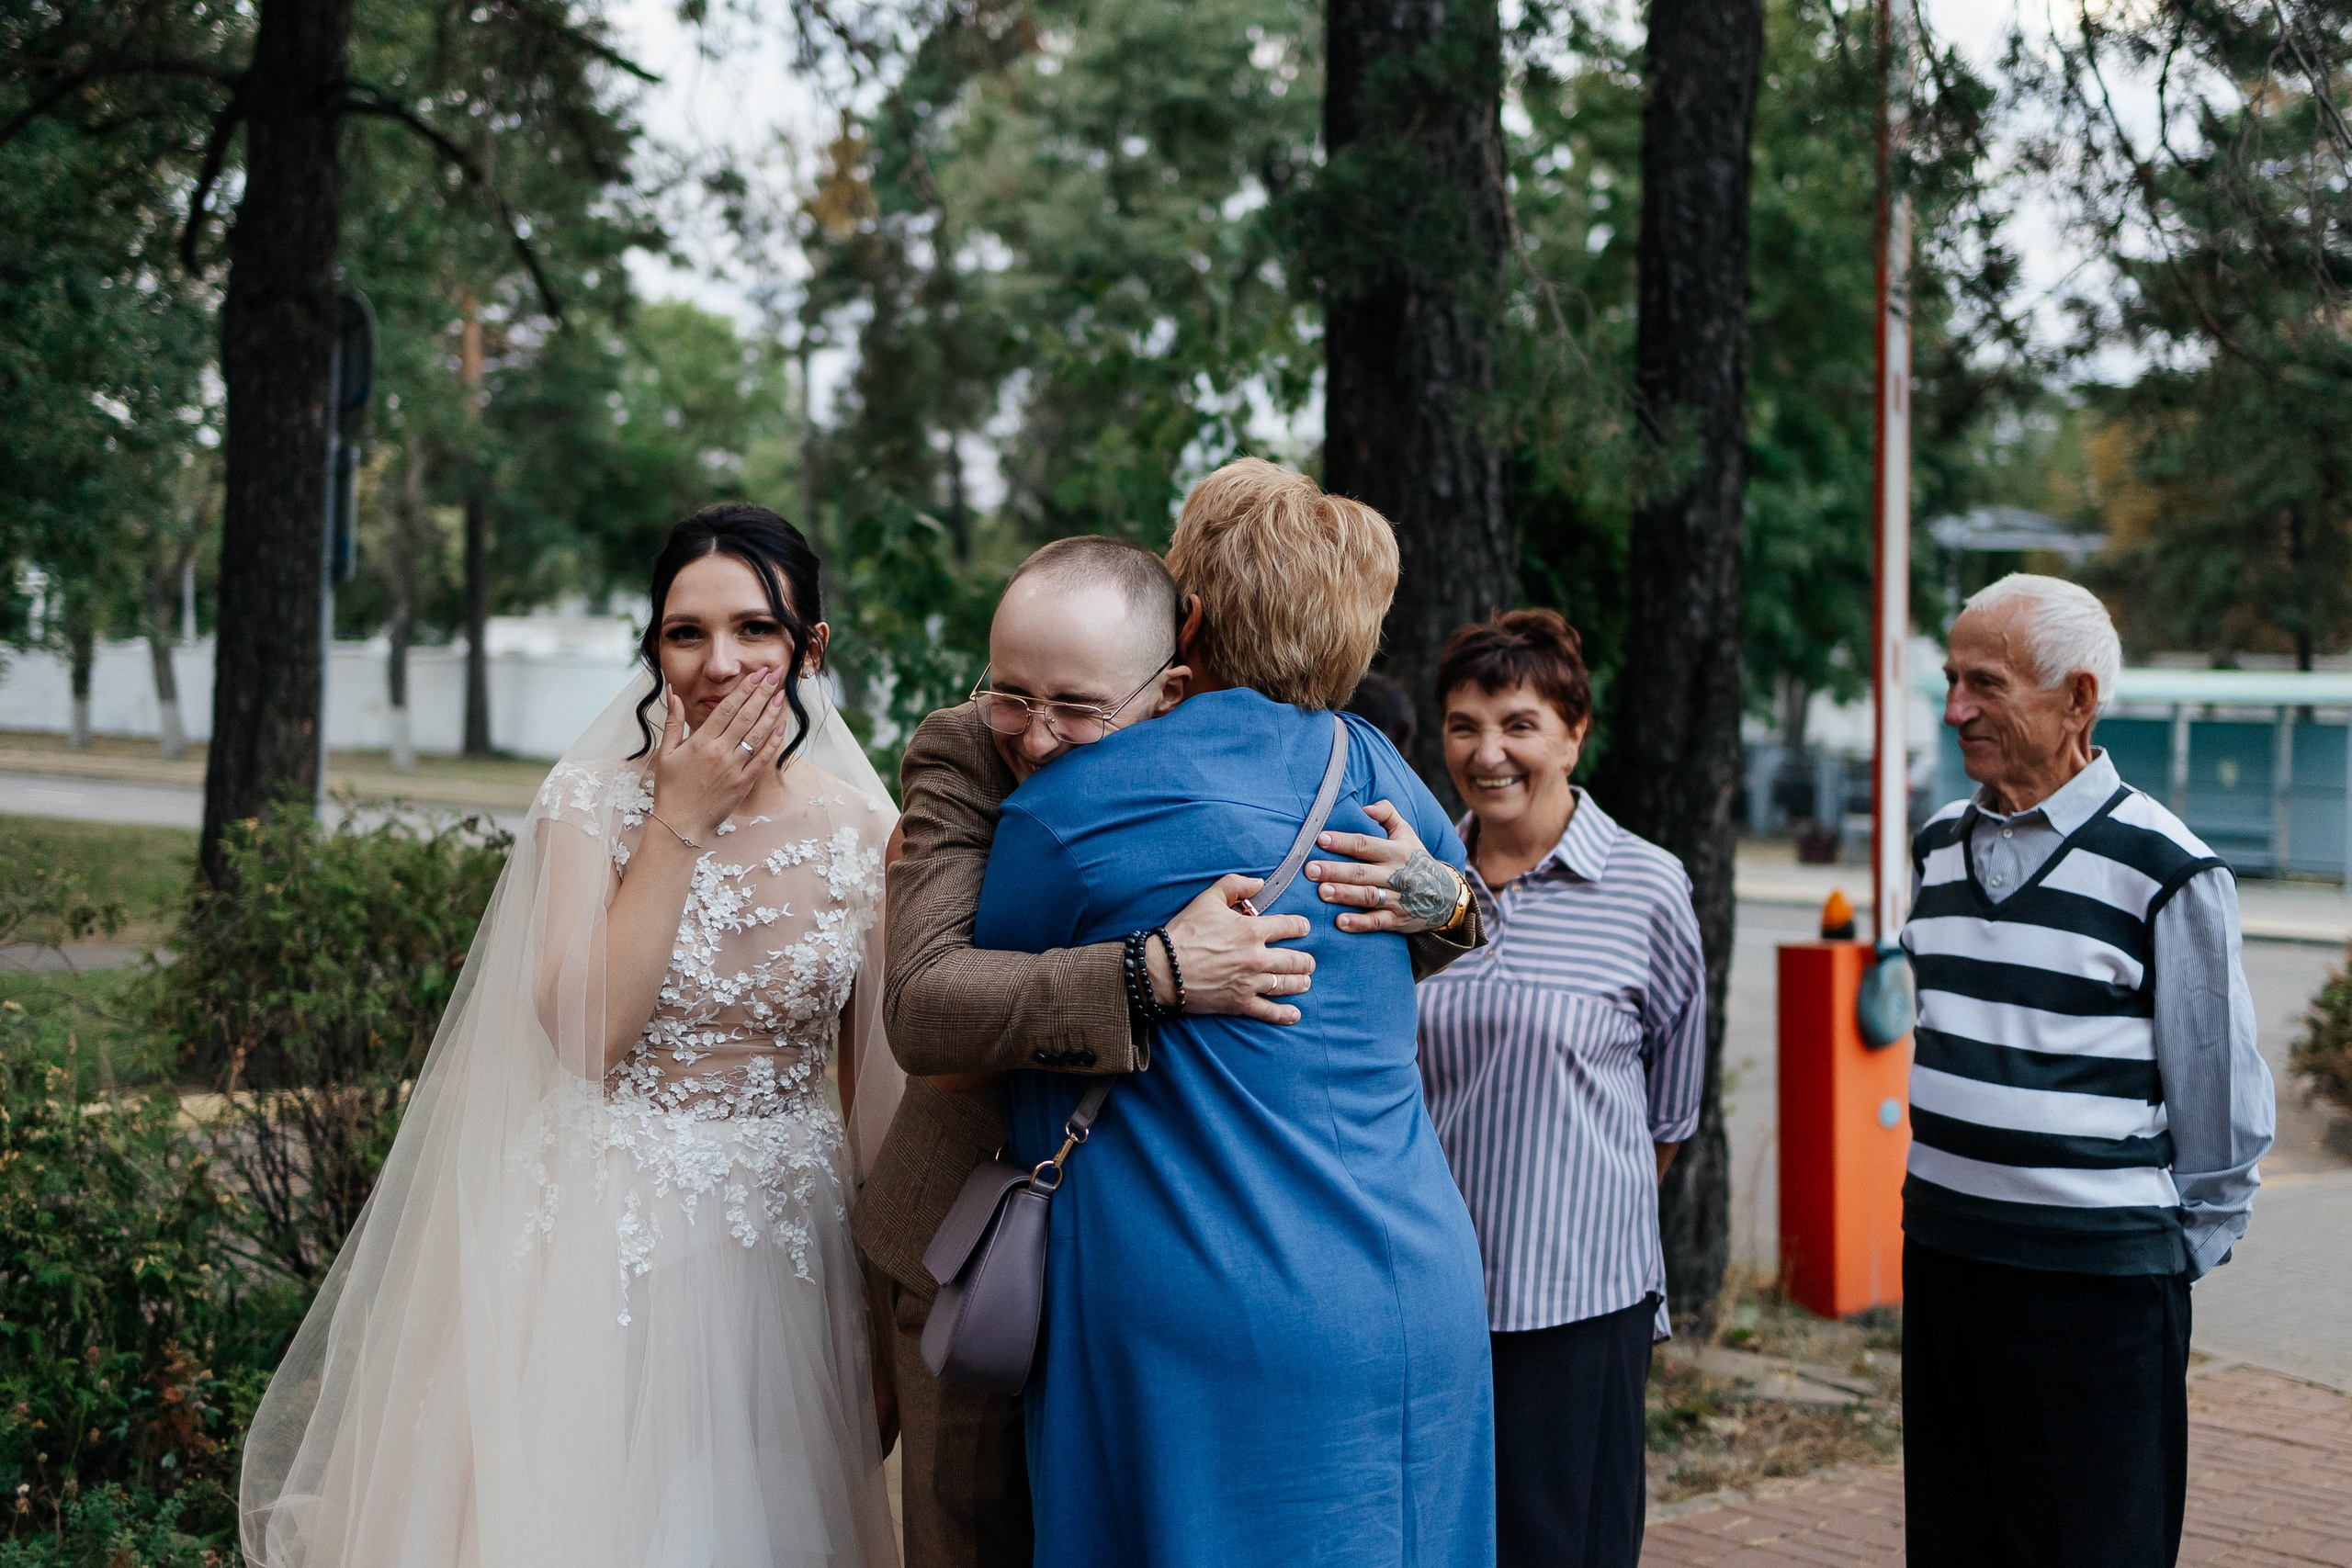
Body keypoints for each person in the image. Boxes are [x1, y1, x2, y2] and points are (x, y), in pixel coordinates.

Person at [240, 505, 903, 1568]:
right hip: (600, 1237)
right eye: (685, 633)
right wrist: (680, 821)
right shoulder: (589, 803)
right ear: (654, 651)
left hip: (787, 1256)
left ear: (810, 648)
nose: (718, 663)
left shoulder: (867, 834)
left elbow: (877, 1112)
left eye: (755, 629)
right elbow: (592, 1038)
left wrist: (880, 1322)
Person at [851, 529, 1484, 1568]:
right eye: (1012, 695)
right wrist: (1153, 971)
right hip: (985, 1220)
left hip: (1146, 1238)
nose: (1037, 739)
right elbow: (924, 1004)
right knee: (973, 1530)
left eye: (1077, 708)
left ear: (1171, 681)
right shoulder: (964, 750)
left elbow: (1455, 923)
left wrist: (1434, 893)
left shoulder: (1269, 753)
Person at [1902, 572, 2273, 1568]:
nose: (1955, 709)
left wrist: (2144, 1261)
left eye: (1984, 683)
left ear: (2077, 699)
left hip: (2094, 1295)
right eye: (1951, 680)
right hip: (1943, 1265)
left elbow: (2221, 1106)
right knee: (1954, 1543)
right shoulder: (1935, 847)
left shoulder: (2167, 868)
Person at [1413, 608, 1706, 1568]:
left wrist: (1570, 1220)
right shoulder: (1420, 885)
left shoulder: (1647, 886)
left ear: (1574, 733)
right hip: (1434, 1293)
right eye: (1463, 725)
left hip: (1578, 1302)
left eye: (1518, 724)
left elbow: (1670, 1109)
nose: (1487, 752)